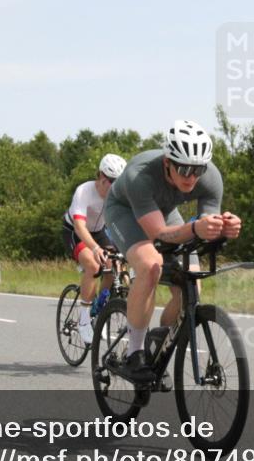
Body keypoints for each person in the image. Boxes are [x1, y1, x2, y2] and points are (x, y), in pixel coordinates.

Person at [104, 120, 241, 380]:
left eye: (197, 169)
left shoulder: (210, 177)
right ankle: (135, 354)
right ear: (167, 162)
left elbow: (204, 233)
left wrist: (224, 229)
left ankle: (160, 340)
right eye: (183, 168)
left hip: (164, 213)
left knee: (192, 286)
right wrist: (196, 228)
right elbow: (160, 236)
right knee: (150, 266)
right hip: (125, 212)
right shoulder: (140, 175)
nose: (191, 176)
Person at [62, 154, 127, 343]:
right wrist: (95, 248)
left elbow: (124, 223)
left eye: (119, 183)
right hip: (74, 232)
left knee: (115, 265)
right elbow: (80, 226)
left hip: (99, 232)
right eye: (112, 182)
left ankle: (100, 310)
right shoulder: (84, 191)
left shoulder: (118, 196)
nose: (115, 187)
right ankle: (83, 320)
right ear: (101, 176)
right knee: (93, 265)